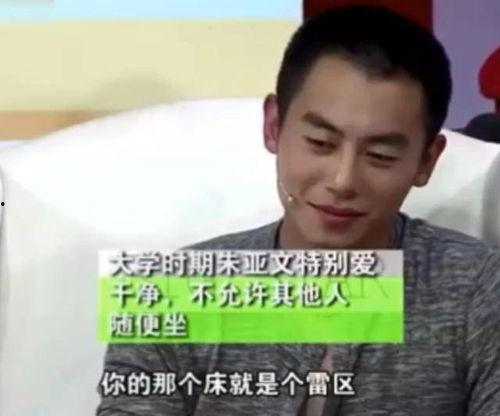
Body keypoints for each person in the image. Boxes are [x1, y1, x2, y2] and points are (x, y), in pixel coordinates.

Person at [96, 5, 500, 415]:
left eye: (380, 155)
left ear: (427, 161)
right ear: (274, 126)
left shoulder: (479, 290)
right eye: (320, 143)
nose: (343, 180)